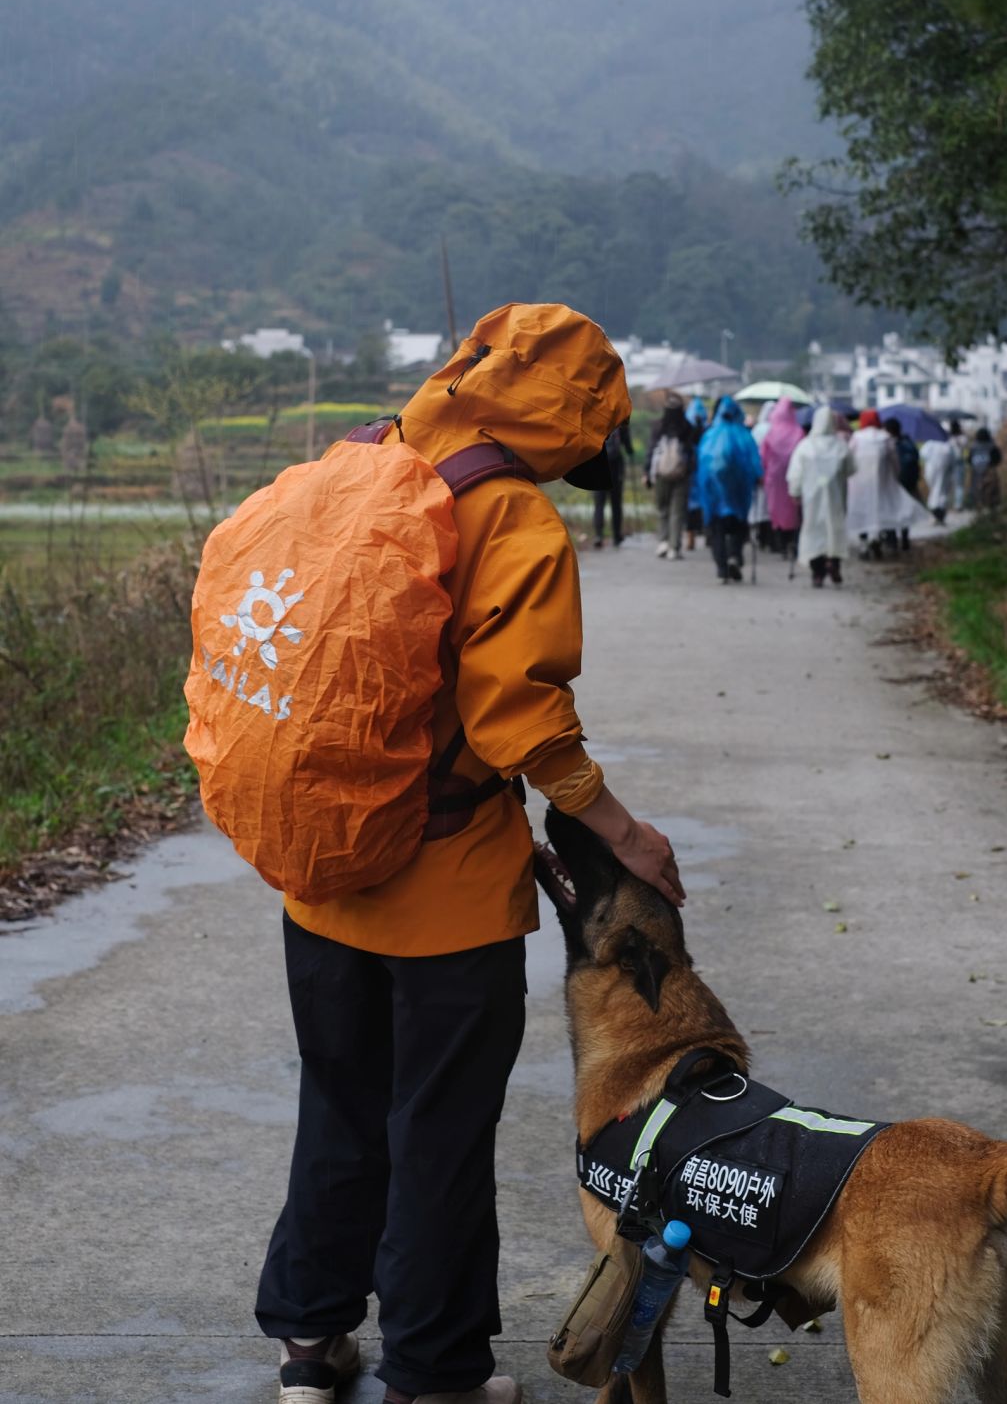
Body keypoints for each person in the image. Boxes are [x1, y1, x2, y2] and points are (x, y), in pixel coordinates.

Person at [256, 303, 683, 1404]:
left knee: (339, 1102)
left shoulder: (361, 459)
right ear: (577, 420)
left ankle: (310, 1343)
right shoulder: (511, 516)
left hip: (321, 866)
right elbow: (521, 720)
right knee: (438, 1130)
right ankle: (436, 1371)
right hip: (446, 891)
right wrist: (624, 834)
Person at [785, 406, 856, 586]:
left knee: (813, 529)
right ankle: (834, 563)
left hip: (811, 498)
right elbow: (851, 469)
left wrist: (795, 491)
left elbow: (795, 473)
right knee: (835, 528)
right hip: (836, 497)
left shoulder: (805, 446)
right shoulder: (840, 446)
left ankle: (817, 572)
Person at [696, 395, 762, 583]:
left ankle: (722, 567)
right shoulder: (744, 435)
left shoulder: (710, 435)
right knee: (739, 524)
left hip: (714, 495)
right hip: (739, 493)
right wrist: (757, 477)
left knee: (716, 529)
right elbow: (754, 462)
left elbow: (701, 464)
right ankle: (734, 555)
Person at [847, 410, 924, 558]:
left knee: (863, 511)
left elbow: (850, 460)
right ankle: (887, 541)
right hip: (882, 482)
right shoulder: (885, 438)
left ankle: (865, 543)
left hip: (861, 483)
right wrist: (895, 477)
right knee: (886, 509)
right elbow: (895, 461)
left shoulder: (856, 437)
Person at [645, 391, 695, 560]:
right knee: (677, 511)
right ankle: (675, 547)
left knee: (662, 509)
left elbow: (651, 450)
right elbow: (691, 451)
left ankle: (663, 542)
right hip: (681, 474)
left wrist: (646, 472)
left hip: (660, 474)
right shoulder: (687, 427)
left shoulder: (658, 426)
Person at [760, 396, 804, 560]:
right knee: (792, 509)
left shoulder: (771, 433)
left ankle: (780, 542)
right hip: (792, 477)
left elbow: (763, 457)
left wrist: (762, 475)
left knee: (776, 509)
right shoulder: (798, 431)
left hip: (773, 478)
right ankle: (792, 542)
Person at [591, 421, 634, 548]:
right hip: (616, 469)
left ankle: (598, 535)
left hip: (599, 466)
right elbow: (628, 448)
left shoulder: (597, 420)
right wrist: (630, 451)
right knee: (616, 503)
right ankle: (616, 536)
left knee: (599, 504)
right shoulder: (619, 423)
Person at [883, 417, 921, 551]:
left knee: (890, 511)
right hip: (908, 482)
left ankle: (891, 540)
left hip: (892, 483)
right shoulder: (908, 442)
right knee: (905, 510)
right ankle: (905, 538)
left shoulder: (887, 444)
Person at [747, 399, 776, 549]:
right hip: (774, 474)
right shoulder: (777, 428)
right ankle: (770, 537)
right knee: (770, 505)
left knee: (758, 504)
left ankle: (759, 534)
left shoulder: (757, 429)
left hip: (759, 471)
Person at [683, 395, 710, 551]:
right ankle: (708, 535)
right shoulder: (709, 429)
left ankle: (690, 537)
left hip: (690, 472)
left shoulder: (686, 428)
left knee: (689, 506)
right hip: (705, 473)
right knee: (706, 503)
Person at [920, 435, 957, 526]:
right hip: (941, 472)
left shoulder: (930, 444)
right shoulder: (948, 445)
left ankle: (937, 512)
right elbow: (953, 459)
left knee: (936, 492)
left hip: (932, 470)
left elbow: (923, 454)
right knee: (940, 492)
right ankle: (938, 513)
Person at [969, 426, 1003, 511]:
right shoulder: (992, 446)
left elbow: (968, 459)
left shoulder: (973, 447)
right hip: (989, 471)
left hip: (976, 472)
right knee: (991, 489)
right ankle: (991, 505)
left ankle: (978, 505)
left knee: (976, 489)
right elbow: (998, 459)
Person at [947, 420, 968, 512]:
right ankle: (957, 505)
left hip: (950, 462)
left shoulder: (948, 438)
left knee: (950, 485)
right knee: (959, 485)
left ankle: (950, 504)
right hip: (958, 462)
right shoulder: (962, 437)